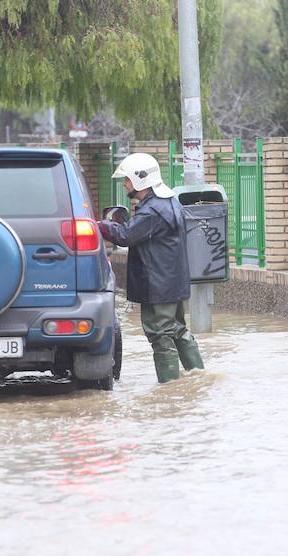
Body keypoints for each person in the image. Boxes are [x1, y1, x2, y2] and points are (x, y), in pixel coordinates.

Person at [97, 153, 204, 383]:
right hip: (173, 282)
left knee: (160, 334)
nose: (125, 184)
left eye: (127, 179)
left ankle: (170, 388)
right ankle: (198, 378)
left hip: (158, 285)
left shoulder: (151, 211)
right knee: (177, 329)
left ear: (139, 180)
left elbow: (125, 235)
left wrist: (99, 226)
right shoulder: (170, 201)